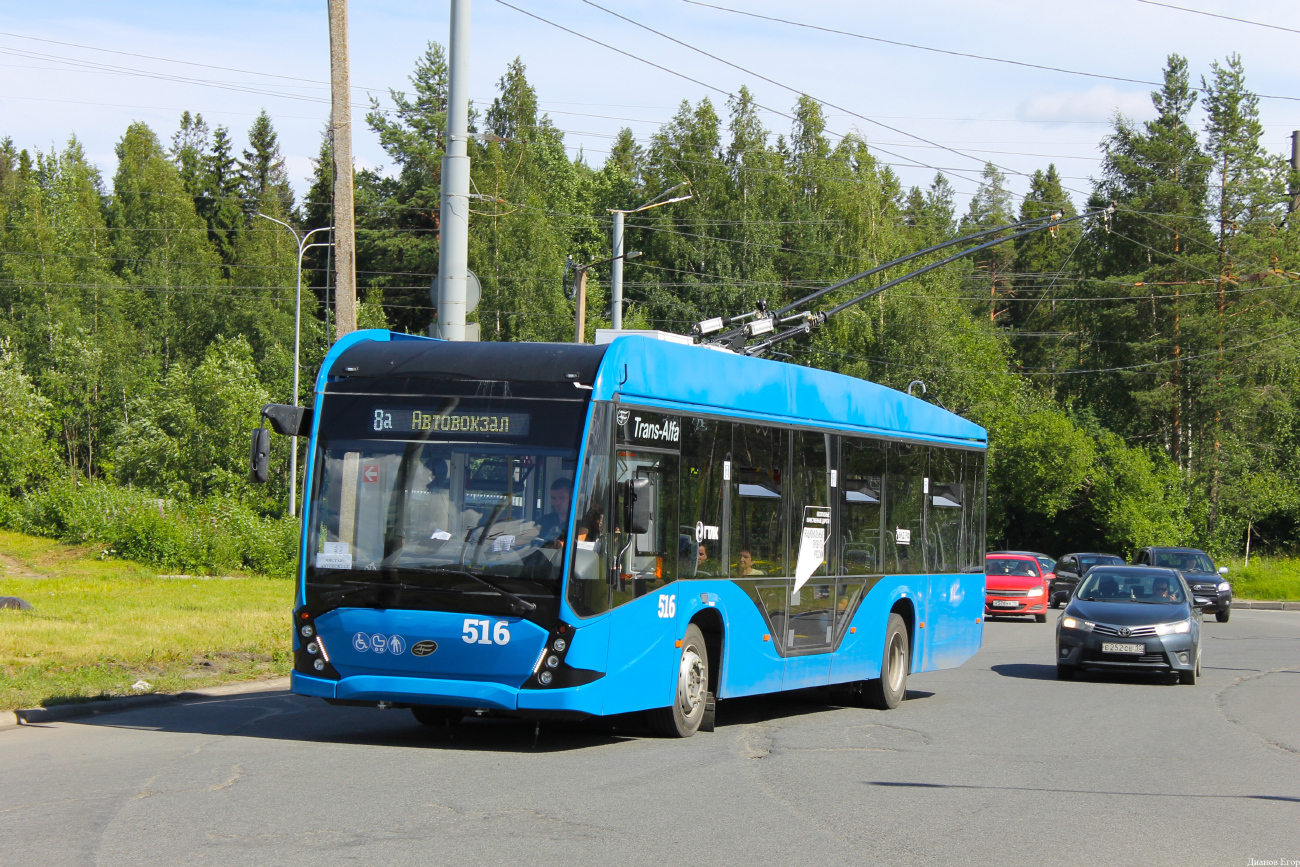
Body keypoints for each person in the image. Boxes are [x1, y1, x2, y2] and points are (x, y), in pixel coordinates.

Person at [536, 478, 572, 546]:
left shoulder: (577, 524)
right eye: (553, 498)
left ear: (571, 497)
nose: (557, 502)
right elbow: (531, 535)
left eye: (562, 498)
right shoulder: (544, 521)